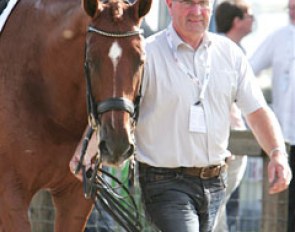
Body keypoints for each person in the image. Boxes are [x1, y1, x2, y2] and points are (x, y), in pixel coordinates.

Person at [70, 0, 292, 231]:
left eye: (203, 3)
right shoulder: (147, 53)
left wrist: (277, 154)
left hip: (215, 183)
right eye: (188, 3)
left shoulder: (230, 55)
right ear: (170, 5)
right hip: (164, 183)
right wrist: (86, 152)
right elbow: (121, 105)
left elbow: (257, 112)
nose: (197, 11)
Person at [249, 0, 295, 231]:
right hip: (283, 139)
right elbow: (248, 71)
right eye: (291, 6)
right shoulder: (278, 37)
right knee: (281, 211)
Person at [213, 1, 254, 231]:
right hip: (225, 145)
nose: (253, 20)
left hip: (231, 143)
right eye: (249, 15)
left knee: (221, 210)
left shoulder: (233, 49)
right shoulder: (225, 50)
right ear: (236, 21)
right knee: (216, 212)